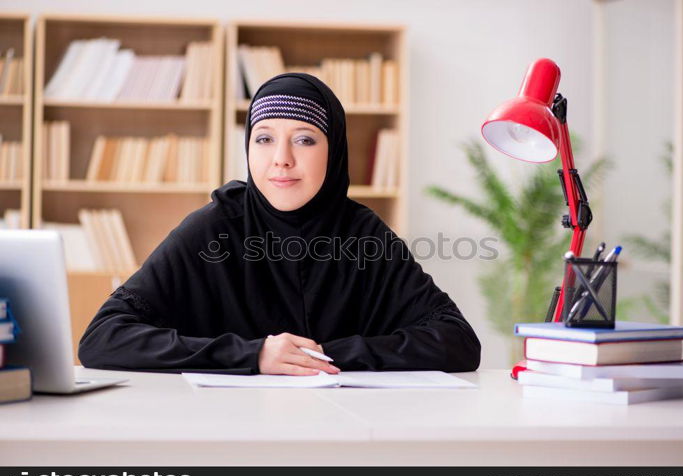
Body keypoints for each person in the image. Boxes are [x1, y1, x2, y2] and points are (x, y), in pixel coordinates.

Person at [78, 73, 481, 375]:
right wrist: (252, 355)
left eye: (304, 140)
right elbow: (102, 338)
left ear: (333, 151)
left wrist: (320, 356)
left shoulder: (364, 235)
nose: (281, 159)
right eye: (264, 139)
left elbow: (459, 341)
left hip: (344, 439)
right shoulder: (212, 229)